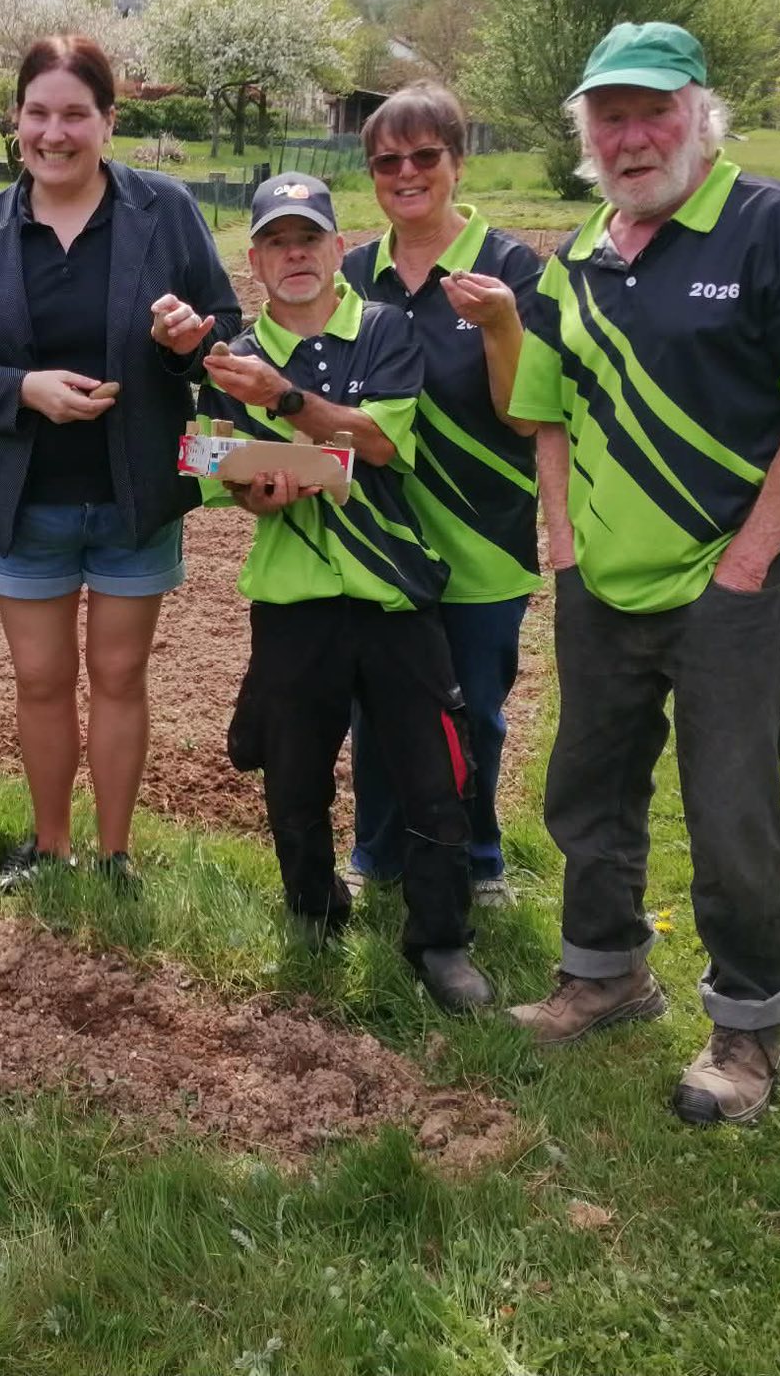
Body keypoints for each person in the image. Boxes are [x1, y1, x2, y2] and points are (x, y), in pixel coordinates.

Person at [505, 22, 780, 1123]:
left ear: (698, 113)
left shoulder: (773, 226)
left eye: (649, 110)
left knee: (730, 813)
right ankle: (604, 971)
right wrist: (563, 551)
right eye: (606, 116)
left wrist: (746, 569)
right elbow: (549, 419)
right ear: (584, 133)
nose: (629, 136)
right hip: (601, 587)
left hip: (733, 586)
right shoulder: (569, 263)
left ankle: (747, 1031)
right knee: (587, 791)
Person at [0, 35, 238, 890]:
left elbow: (224, 330)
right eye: (37, 113)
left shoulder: (163, 211)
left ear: (108, 123)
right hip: (26, 501)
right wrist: (25, 388)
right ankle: (51, 847)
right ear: (16, 121)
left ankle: (114, 855)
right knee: (41, 679)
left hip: (134, 493)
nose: (53, 133)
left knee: (122, 677)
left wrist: (184, 343)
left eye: (74, 114)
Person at [183, 171, 490, 1012]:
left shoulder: (386, 330)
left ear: (338, 247)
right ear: (253, 260)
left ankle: (441, 940)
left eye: (309, 238)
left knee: (433, 774)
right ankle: (313, 909)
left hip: (394, 592)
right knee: (294, 775)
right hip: (291, 599)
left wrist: (283, 408)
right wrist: (256, 488)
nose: (295, 256)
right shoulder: (231, 358)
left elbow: (382, 444)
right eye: (277, 242)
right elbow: (209, 463)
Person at [339, 82, 543, 908]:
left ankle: (477, 859)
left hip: (483, 540)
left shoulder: (510, 267)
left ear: (459, 162)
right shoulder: (356, 270)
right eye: (388, 161)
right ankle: (377, 855)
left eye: (427, 156)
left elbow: (524, 417)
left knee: (474, 717)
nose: (407, 172)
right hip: (380, 537)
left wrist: (500, 326)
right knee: (377, 711)